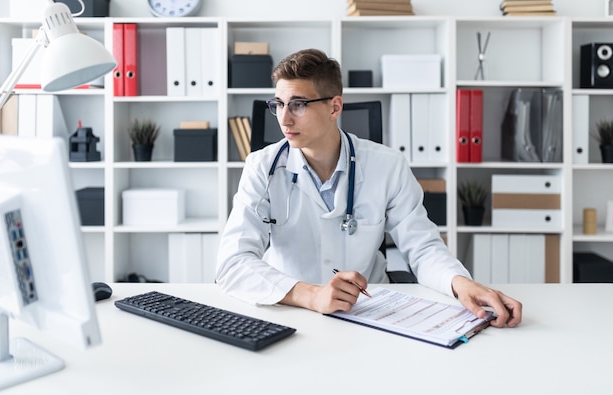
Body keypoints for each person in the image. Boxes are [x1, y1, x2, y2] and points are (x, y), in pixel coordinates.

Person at [216, 48, 522, 328]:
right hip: (290, 311)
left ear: (334, 107)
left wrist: (460, 283)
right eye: (279, 104)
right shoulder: (262, 167)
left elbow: (423, 247)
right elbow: (233, 263)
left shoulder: (387, 165)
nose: (284, 118)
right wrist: (310, 296)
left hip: (368, 314)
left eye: (298, 105)